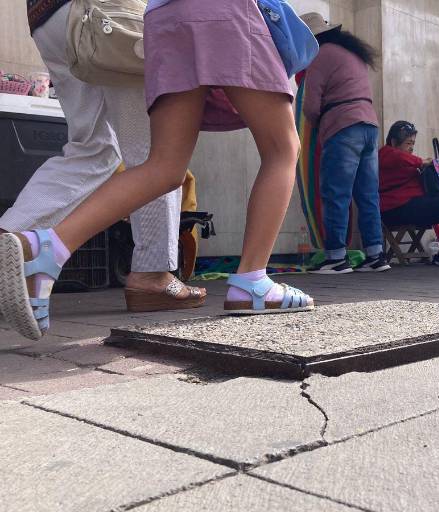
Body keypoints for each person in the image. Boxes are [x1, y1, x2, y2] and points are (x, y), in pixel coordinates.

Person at [0, 0, 314, 341]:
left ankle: (48, 247)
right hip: (223, 10)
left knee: (163, 166)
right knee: (282, 149)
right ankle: (251, 281)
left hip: (165, 15)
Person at [0, 0, 206, 312]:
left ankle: (9, 240)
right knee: (158, 152)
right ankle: (153, 274)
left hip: (48, 19)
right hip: (109, 13)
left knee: (92, 150)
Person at [299, 13, 389, 275]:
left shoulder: (321, 54)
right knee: (368, 196)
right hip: (369, 126)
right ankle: (375, 255)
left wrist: (314, 124)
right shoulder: (352, 54)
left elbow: (311, 105)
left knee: (336, 194)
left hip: (342, 126)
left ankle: (336, 257)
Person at [378, 121, 439, 267]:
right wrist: (421, 162)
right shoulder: (385, 153)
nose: (411, 148)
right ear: (394, 142)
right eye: (408, 143)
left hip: (411, 205)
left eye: (413, 144)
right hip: (395, 209)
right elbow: (398, 157)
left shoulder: (407, 161)